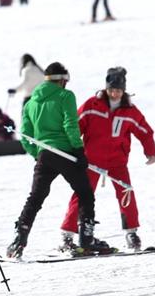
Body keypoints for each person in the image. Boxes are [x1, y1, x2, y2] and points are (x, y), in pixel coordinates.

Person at [6, 62, 112, 259]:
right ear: (62, 80)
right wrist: (79, 150)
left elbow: (26, 135)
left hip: (44, 155)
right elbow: (70, 124)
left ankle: (19, 238)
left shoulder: (30, 103)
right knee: (85, 193)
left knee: (36, 197)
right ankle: (86, 239)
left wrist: (37, 154)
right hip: (65, 152)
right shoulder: (65, 96)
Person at [59, 67, 155, 252]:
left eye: (118, 90)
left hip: (117, 162)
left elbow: (145, 131)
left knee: (126, 192)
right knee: (82, 194)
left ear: (123, 90)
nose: (114, 93)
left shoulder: (129, 110)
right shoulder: (92, 105)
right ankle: (67, 235)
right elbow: (74, 126)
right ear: (106, 88)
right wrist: (70, 148)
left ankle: (131, 232)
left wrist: (150, 151)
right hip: (92, 160)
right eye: (111, 89)